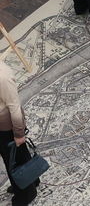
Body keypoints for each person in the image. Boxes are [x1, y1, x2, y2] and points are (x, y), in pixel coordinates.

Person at [0, 61, 36, 205]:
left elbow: (14, 107)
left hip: (7, 128)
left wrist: (19, 134)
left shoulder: (3, 76)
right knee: (20, 156)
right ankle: (32, 181)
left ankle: (26, 195)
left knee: (13, 162)